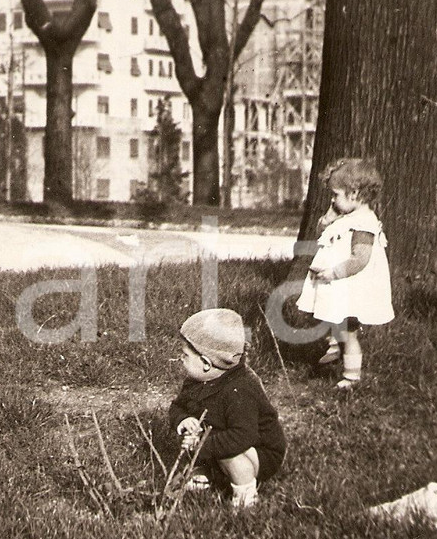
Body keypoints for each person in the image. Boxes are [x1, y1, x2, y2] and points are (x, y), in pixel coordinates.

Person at [168, 309, 286, 509]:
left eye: (185, 355)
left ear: (206, 363)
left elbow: (243, 436)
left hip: (257, 450)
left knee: (227, 452)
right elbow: (177, 406)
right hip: (220, 436)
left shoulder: (240, 389)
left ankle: (245, 493)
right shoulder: (196, 382)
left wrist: (202, 446)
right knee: (197, 435)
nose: (181, 358)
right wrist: (183, 419)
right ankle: (207, 473)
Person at [296, 157, 394, 389]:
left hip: (351, 285)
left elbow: (360, 259)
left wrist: (333, 273)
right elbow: (321, 232)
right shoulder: (346, 215)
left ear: (355, 193)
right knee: (331, 315)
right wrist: (328, 218)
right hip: (338, 282)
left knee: (349, 330)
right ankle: (334, 345)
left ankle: (351, 376)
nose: (332, 199)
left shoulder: (364, 223)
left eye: (336, 194)